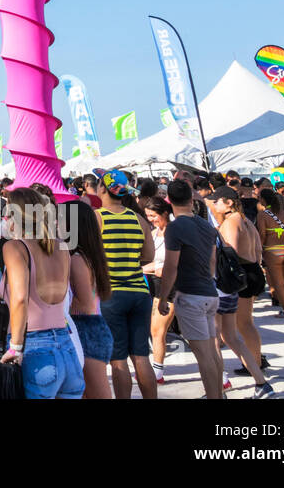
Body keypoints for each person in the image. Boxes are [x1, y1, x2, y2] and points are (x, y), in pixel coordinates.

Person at [0, 188, 83, 400]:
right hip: (66, 347)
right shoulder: (61, 246)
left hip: (35, 348)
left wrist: (15, 348)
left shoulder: (15, 247)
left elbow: (19, 299)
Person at [156, 179, 224, 399]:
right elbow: (213, 262)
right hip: (209, 292)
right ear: (191, 198)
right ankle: (218, 395)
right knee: (212, 352)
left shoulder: (175, 228)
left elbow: (171, 266)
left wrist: (164, 297)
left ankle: (214, 396)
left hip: (190, 294)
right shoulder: (206, 225)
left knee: (203, 354)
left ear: (169, 201)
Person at [95, 170, 156, 399]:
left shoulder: (96, 218)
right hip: (140, 292)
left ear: (103, 189)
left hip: (112, 294)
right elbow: (148, 256)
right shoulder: (138, 219)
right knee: (141, 356)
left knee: (118, 360)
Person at [210, 187, 274, 396]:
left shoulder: (231, 222)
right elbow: (257, 250)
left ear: (228, 203)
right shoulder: (245, 220)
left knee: (240, 325)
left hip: (241, 275)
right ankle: (254, 363)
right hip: (253, 270)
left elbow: (232, 252)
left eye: (217, 201)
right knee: (245, 323)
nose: (215, 205)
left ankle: (253, 364)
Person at [69, 199, 114, 400]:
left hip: (87, 329)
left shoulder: (77, 259)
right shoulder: (88, 254)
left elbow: (85, 305)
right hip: (92, 328)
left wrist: (52, 302)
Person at [141, 196, 177, 385]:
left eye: (153, 215)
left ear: (165, 213)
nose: (151, 219)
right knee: (157, 330)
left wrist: (144, 269)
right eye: (148, 216)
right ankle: (158, 372)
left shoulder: (173, 232)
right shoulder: (154, 233)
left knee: (196, 337)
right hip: (157, 287)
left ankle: (157, 373)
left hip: (173, 287)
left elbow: (166, 266)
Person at [258, 189, 284, 317]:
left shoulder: (262, 215)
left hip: (273, 251)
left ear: (264, 200)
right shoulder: (282, 213)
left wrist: (259, 252)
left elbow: (262, 235)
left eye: (260, 197)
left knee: (279, 283)